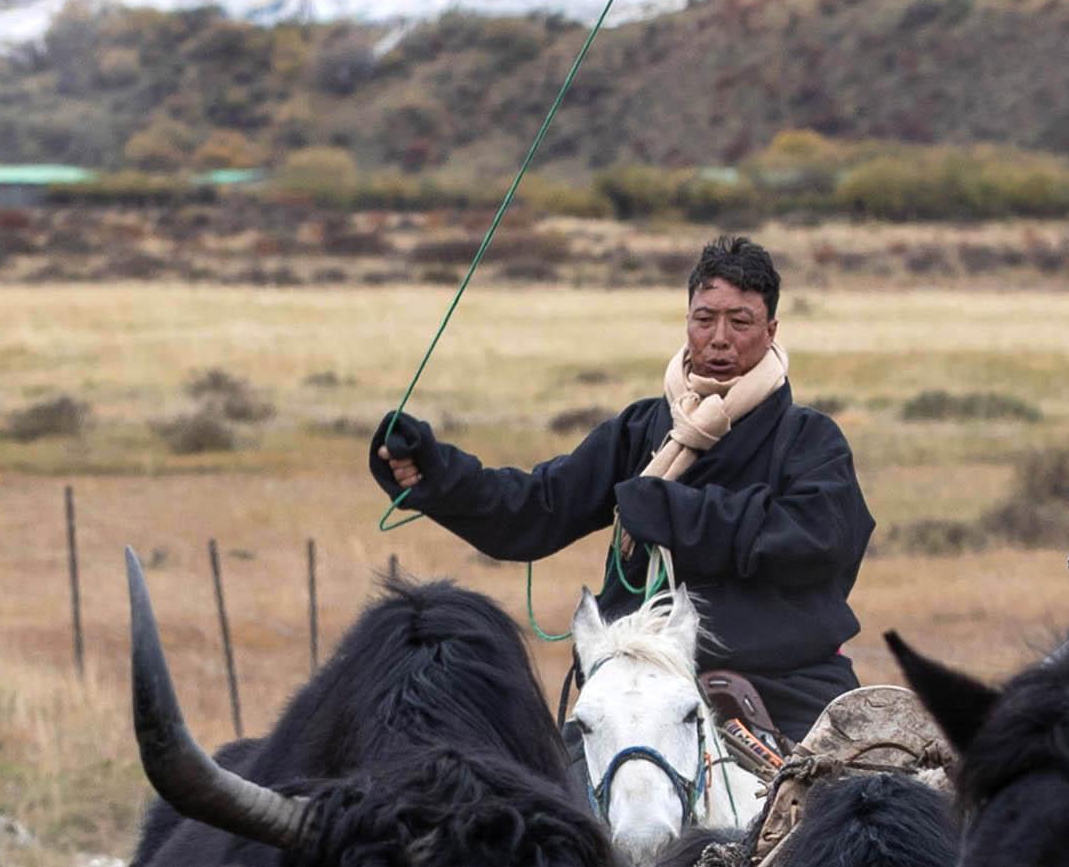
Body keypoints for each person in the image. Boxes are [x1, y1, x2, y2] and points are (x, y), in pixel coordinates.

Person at [367, 234, 874, 734]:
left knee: (856, 799)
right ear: (688, 323)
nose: (720, 338)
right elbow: (535, 509)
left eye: (740, 322)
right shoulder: (642, 430)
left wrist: (675, 513)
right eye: (705, 319)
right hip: (633, 688)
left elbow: (818, 538)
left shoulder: (809, 439)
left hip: (783, 682)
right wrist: (436, 473)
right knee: (553, 801)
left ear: (771, 330)